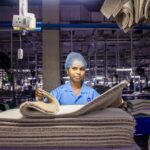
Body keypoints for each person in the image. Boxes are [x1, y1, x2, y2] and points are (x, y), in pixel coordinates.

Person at [36, 52, 100, 105]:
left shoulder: (92, 93)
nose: (78, 72)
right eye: (74, 68)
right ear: (67, 71)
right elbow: (44, 108)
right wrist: (40, 99)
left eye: (82, 69)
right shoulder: (57, 93)